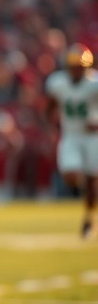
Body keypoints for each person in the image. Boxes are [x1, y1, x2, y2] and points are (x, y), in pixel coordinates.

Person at [44, 43, 98, 238]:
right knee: (70, 175)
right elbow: (50, 107)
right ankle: (85, 187)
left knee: (93, 180)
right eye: (72, 66)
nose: (75, 70)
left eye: (78, 66)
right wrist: (50, 126)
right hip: (71, 135)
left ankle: (88, 219)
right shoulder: (58, 82)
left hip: (93, 137)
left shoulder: (94, 84)